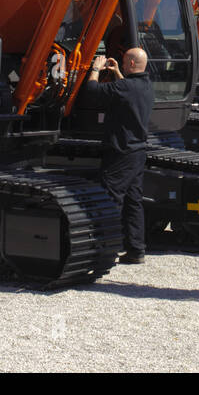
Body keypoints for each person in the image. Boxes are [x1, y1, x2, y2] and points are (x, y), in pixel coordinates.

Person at [81, 47, 155, 265]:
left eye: (124, 62)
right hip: (138, 151)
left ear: (131, 64)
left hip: (121, 152)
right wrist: (115, 72)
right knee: (134, 202)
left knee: (110, 199)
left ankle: (105, 251)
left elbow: (92, 92)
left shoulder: (125, 87)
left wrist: (95, 69)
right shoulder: (146, 86)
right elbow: (126, 90)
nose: (122, 64)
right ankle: (136, 250)